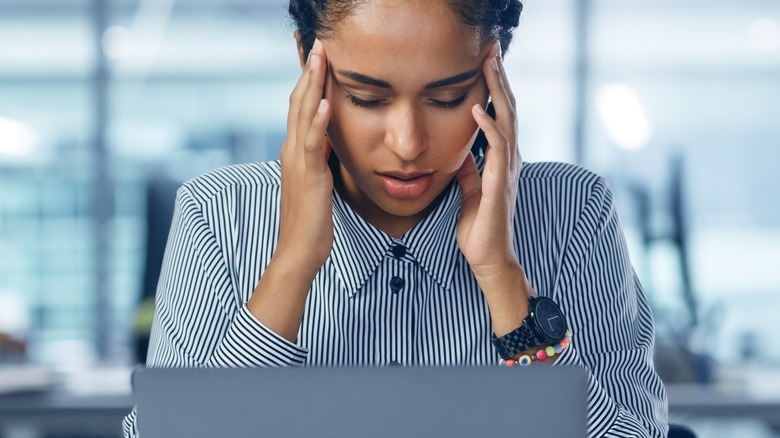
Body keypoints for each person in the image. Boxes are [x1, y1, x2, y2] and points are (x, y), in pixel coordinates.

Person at [123, 0, 669, 436]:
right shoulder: (220, 214)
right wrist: (292, 266)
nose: (408, 144)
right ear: (305, 60)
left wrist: (505, 285)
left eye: (449, 97)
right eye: (365, 97)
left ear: (494, 70)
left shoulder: (571, 213)